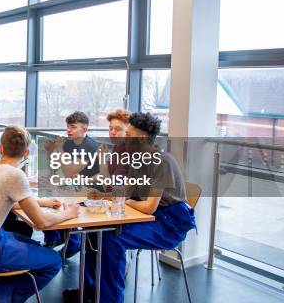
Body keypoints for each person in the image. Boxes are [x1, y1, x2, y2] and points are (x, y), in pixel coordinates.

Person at [63, 112, 197, 303]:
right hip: (151, 217)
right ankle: (90, 290)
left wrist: (125, 201)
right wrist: (102, 196)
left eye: (129, 133)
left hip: (170, 224)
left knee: (111, 238)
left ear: (141, 137)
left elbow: (149, 207)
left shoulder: (162, 161)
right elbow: (124, 192)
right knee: (92, 230)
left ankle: (109, 299)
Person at [0, 126, 80, 303]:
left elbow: (3, 199)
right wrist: (70, 213)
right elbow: (41, 222)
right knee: (54, 260)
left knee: (37, 246)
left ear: (0, 148)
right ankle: (2, 299)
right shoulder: (14, 175)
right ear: (26, 152)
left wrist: (40, 202)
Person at [43, 111, 100, 255]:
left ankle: (72, 241)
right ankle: (55, 237)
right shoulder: (68, 143)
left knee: (56, 199)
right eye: (68, 126)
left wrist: (59, 149)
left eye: (73, 127)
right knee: (46, 197)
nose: (68, 130)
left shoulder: (90, 146)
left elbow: (69, 171)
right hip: (73, 186)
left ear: (84, 129)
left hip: (91, 191)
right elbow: (56, 166)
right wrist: (51, 152)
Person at [98, 109, 131, 190]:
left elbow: (110, 189)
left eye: (118, 129)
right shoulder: (117, 146)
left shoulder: (127, 154)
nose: (112, 132)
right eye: (110, 128)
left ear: (129, 132)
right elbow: (107, 173)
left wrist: (101, 158)